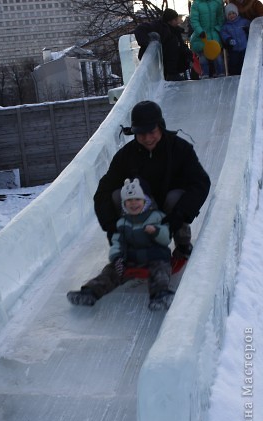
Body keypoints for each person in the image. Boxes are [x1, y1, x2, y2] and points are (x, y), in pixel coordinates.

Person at [93, 100, 211, 264]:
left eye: (152, 132)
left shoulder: (181, 150)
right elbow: (102, 192)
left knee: (176, 196)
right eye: (141, 134)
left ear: (160, 127)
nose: (148, 139)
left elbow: (201, 183)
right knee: (116, 194)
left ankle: (183, 244)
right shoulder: (125, 156)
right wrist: (111, 225)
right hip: (139, 212)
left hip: (169, 212)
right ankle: (128, 246)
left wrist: (179, 216)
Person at [67, 177, 174, 310]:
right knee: (110, 272)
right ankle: (90, 292)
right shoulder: (122, 222)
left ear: (145, 200)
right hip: (131, 259)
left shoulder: (157, 216)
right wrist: (117, 257)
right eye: (129, 200)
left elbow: (166, 238)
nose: (133, 203)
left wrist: (156, 231)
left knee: (160, 270)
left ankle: (160, 295)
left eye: (137, 199)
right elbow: (117, 241)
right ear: (124, 203)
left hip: (155, 256)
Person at [134, 8, 193, 81]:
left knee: (178, 45)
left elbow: (182, 45)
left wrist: (189, 54)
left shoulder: (175, 30)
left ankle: (173, 73)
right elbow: (139, 29)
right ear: (170, 21)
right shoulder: (158, 26)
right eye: (176, 20)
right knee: (173, 42)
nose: (178, 22)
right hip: (159, 60)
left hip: (166, 59)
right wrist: (145, 42)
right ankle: (171, 74)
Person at [189, 0, 225, 79]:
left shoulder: (217, 2)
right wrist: (199, 31)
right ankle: (205, 74)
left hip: (214, 34)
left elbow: (220, 17)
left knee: (218, 57)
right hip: (202, 36)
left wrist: (218, 28)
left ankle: (220, 73)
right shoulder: (196, 4)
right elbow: (194, 20)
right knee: (203, 57)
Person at [220, 3, 251, 75]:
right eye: (229, 14)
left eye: (233, 13)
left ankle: (246, 73)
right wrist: (228, 39)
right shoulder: (226, 26)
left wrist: (248, 30)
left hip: (244, 47)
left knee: (244, 61)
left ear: (236, 13)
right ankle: (235, 75)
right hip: (234, 49)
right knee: (234, 63)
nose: (232, 16)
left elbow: (251, 25)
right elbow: (223, 33)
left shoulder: (243, 22)